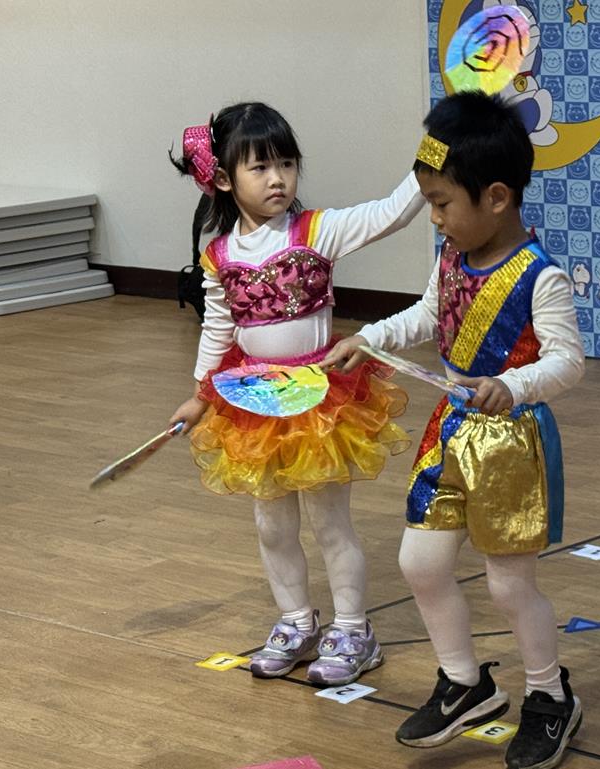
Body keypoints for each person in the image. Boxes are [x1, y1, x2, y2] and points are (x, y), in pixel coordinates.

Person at [322, 91, 585, 769]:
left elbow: (567, 362)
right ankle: (465, 682)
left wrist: (514, 385)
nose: (434, 218)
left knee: (508, 586)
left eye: (441, 203)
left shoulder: (541, 276)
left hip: (511, 444)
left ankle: (549, 694)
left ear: (496, 197)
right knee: (419, 562)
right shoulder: (450, 256)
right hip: (449, 433)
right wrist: (370, 337)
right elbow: (426, 314)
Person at [168, 102, 424, 684]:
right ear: (224, 178)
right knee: (272, 524)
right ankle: (295, 621)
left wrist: (436, 151)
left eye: (286, 163)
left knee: (330, 522)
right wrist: (200, 395)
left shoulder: (318, 231)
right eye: (260, 167)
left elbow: (394, 211)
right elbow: (218, 329)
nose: (278, 178)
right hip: (255, 402)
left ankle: (353, 629)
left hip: (319, 402)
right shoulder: (218, 256)